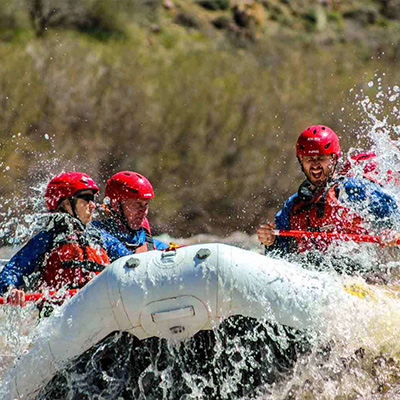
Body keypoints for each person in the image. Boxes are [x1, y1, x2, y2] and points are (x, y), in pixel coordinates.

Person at [257, 125, 400, 256]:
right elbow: (280, 255)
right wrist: (271, 241)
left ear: (333, 159)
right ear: (300, 160)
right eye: (309, 158)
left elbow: (395, 215)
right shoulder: (293, 205)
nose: (315, 165)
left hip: (364, 273)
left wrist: (393, 234)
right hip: (317, 270)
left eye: (321, 158)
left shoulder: (353, 190)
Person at [0, 172, 110, 306]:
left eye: (92, 198)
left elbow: (128, 262)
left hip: (100, 311)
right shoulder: (47, 239)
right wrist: (11, 290)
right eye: (86, 198)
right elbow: (13, 270)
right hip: (60, 315)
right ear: (66, 204)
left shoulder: (99, 237)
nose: (92, 205)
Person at [93, 171, 168, 262]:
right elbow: (122, 258)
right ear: (116, 205)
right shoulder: (97, 234)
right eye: (137, 204)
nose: (143, 212)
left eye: (145, 205)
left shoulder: (144, 237)